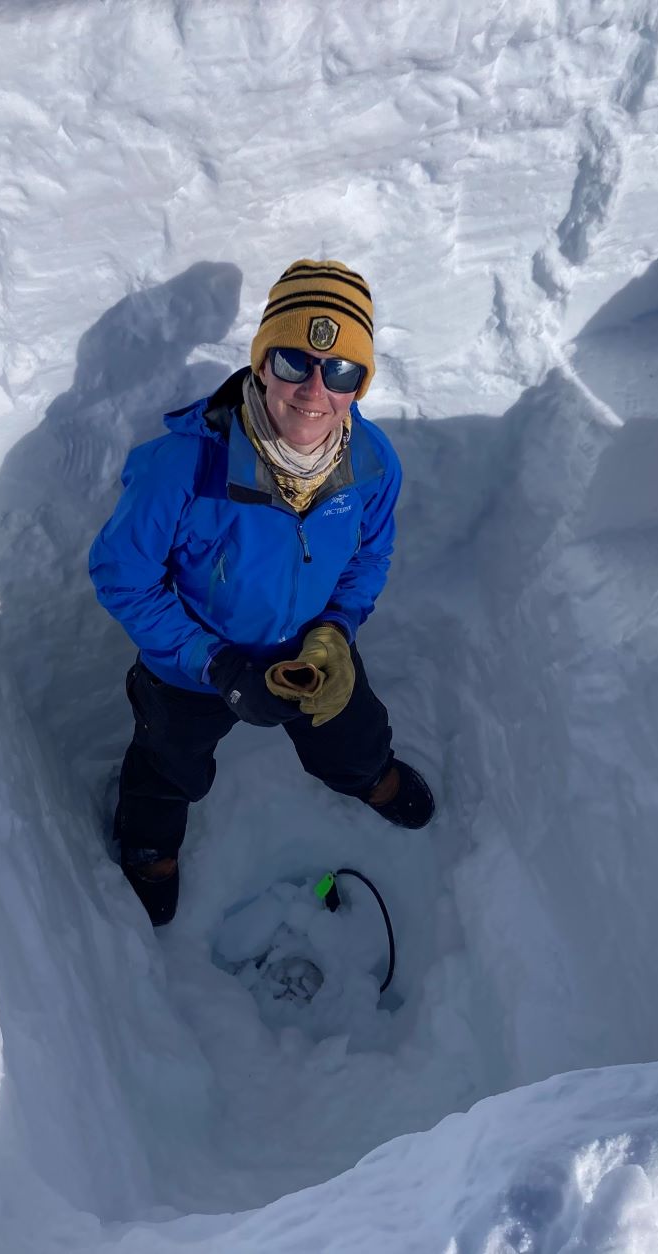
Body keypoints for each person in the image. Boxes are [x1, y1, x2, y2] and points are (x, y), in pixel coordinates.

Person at [89, 259, 434, 926]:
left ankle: (368, 776)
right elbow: (121, 574)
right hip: (192, 665)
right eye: (292, 361)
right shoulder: (185, 465)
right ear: (259, 364)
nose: (314, 390)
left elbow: (370, 556)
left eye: (340, 372)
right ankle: (150, 846)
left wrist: (336, 630)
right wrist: (213, 663)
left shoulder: (371, 463)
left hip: (311, 652)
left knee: (353, 731)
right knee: (167, 761)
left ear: (361, 383)